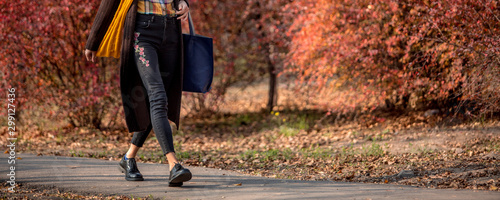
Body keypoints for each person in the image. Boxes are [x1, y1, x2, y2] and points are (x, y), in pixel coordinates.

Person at [84, 0, 192, 187]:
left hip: (171, 31)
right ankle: (173, 164)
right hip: (143, 33)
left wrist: (183, 1)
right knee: (158, 96)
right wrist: (93, 40)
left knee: (158, 101)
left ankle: (128, 157)